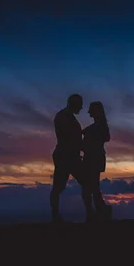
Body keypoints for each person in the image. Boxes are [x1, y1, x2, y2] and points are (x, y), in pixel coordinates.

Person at [49, 94, 86, 223]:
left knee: (84, 183)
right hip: (66, 156)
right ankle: (55, 215)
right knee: (59, 187)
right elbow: (69, 138)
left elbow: (73, 138)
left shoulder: (67, 117)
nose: (81, 108)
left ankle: (56, 215)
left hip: (70, 156)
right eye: (80, 104)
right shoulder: (64, 117)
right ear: (74, 103)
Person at [81, 101, 112, 223]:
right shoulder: (97, 126)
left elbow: (104, 137)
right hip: (93, 157)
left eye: (90, 110)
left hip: (94, 158)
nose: (88, 112)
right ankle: (97, 211)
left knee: (91, 187)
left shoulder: (99, 126)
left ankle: (96, 212)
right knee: (92, 187)